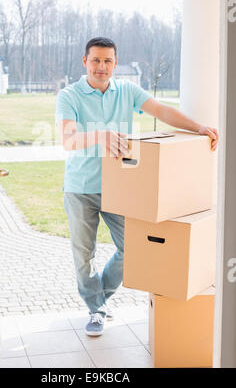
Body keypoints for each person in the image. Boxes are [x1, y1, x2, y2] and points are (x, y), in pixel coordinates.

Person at [55, 37, 218, 337]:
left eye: (107, 61)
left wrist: (198, 127)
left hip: (121, 187)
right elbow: (68, 140)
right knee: (83, 254)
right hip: (80, 188)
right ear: (84, 61)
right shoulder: (70, 95)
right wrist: (100, 135)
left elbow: (162, 111)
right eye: (95, 60)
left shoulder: (126, 91)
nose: (101, 67)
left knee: (132, 248)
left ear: (115, 64)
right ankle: (96, 310)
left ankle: (99, 297)